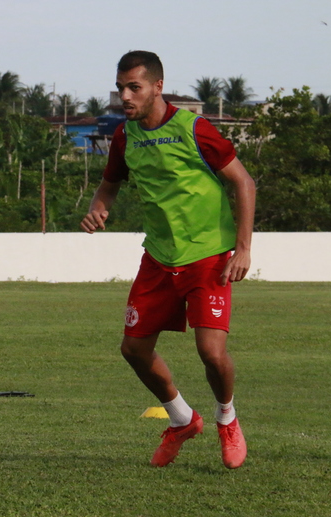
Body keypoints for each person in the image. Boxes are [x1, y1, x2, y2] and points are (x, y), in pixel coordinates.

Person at [80, 51, 256, 469]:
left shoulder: (194, 129)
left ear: (158, 86)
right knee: (134, 349)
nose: (125, 95)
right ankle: (181, 420)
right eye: (121, 87)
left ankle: (226, 418)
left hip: (208, 257)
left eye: (134, 87)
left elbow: (244, 182)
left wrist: (244, 248)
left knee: (211, 353)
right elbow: (108, 186)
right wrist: (98, 207)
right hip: (159, 258)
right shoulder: (124, 136)